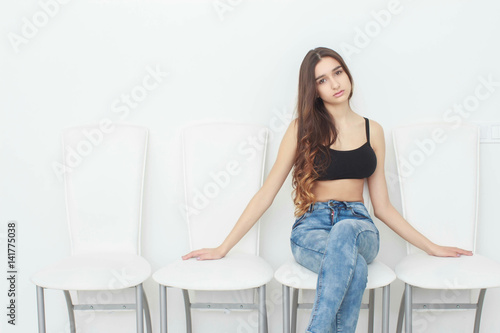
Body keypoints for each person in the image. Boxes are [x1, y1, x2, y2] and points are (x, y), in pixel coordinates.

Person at [182, 47, 472, 333]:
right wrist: (223, 247)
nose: (334, 84)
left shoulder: (374, 131)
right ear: (314, 89)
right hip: (312, 228)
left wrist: (431, 247)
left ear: (347, 74)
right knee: (354, 269)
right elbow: (266, 193)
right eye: (322, 80)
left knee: (346, 230)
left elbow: (382, 207)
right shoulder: (302, 129)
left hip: (359, 227)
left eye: (338, 72)